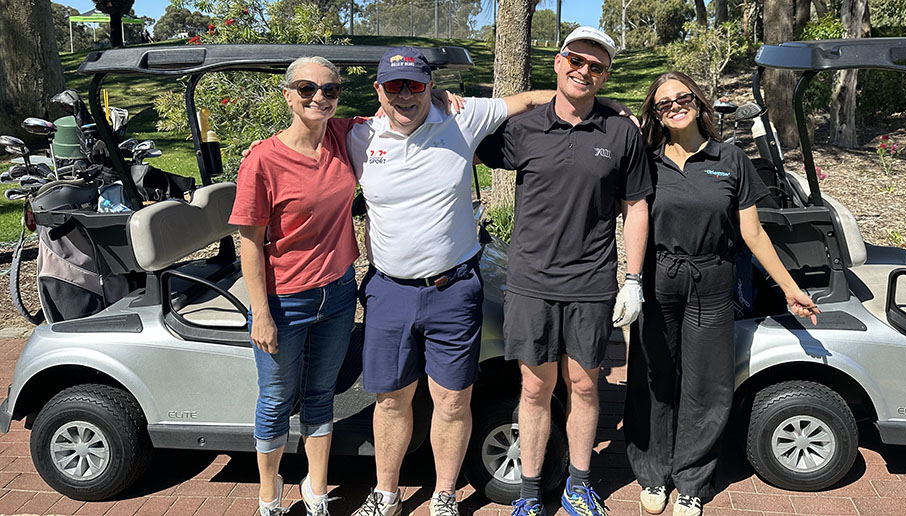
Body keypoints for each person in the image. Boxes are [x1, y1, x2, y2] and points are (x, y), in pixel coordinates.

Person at [349, 46, 560, 516]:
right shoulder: (359, 135)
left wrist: (604, 105)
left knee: (451, 399)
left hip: (453, 290)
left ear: (430, 86)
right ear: (378, 90)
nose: (405, 96)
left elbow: (529, 101)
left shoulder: (461, 119)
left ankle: (443, 494)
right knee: (390, 400)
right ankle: (385, 493)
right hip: (389, 291)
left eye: (416, 85)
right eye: (394, 86)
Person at [623, 71, 820, 516]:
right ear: (654, 115)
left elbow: (752, 234)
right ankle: (654, 473)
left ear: (698, 101)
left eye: (682, 97)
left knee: (706, 384)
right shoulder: (646, 160)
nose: (675, 105)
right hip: (659, 279)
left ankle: (692, 479)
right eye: (663, 103)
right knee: (653, 379)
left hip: (712, 280)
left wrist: (790, 289)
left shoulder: (729, 158)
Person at [476, 26, 652, 516]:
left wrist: (633, 280)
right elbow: (468, 131)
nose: (585, 72)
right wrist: (532, 97)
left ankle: (578, 484)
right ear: (558, 61)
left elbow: (636, 206)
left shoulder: (621, 133)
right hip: (530, 282)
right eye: (576, 60)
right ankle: (530, 493)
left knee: (585, 385)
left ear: (606, 75)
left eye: (597, 67)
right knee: (534, 388)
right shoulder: (524, 130)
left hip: (592, 284)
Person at [229, 57, 361, 516]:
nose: (319, 97)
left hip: (340, 292)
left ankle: (317, 488)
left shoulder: (343, 135)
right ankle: (269, 493)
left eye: (329, 90)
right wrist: (260, 313)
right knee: (276, 399)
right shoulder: (263, 159)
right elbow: (249, 242)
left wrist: (440, 95)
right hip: (286, 300)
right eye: (306, 88)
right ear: (287, 95)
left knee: (321, 394)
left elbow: (400, 106)